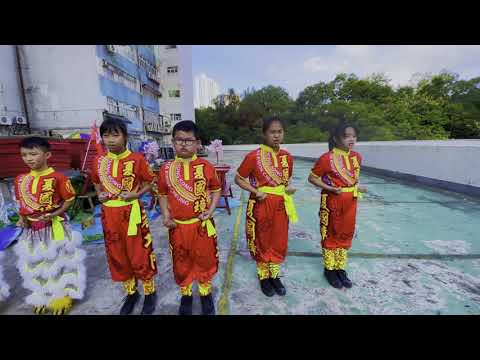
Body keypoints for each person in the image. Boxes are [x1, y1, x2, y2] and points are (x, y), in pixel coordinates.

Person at [91, 118, 157, 315]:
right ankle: (130, 292)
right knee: (117, 253)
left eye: (115, 135)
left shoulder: (137, 160)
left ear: (125, 137)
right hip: (109, 213)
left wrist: (137, 194)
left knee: (139, 253)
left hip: (132, 213)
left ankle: (149, 292)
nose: (110, 140)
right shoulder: (98, 161)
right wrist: (100, 194)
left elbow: (150, 181)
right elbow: (96, 181)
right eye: (106, 135)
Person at [14, 137, 86, 315]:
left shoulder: (58, 177)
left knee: (60, 261)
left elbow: (69, 199)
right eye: (24, 155)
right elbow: (20, 203)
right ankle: (42, 294)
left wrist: (55, 213)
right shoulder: (20, 180)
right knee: (36, 262)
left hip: (55, 226)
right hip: (32, 230)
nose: (29, 158)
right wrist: (22, 219)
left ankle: (63, 295)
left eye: (33, 154)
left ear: (47, 155)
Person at [157, 120, 222, 315]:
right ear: (172, 142)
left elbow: (216, 189)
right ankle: (185, 294)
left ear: (198, 143)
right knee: (181, 261)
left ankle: (205, 293)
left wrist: (211, 210)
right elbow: (161, 193)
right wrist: (166, 215)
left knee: (205, 260)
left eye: (188, 140)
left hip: (201, 225)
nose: (183, 144)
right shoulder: (166, 168)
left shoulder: (206, 166)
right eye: (179, 140)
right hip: (178, 227)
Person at [234, 116, 297, 297]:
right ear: (264, 134)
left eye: (279, 131)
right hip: (260, 203)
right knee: (262, 239)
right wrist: (255, 190)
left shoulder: (287, 157)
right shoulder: (253, 156)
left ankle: (275, 275)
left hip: (280, 205)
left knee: (278, 239)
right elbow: (238, 178)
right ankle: (263, 276)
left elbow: (287, 179)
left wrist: (288, 189)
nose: (276, 135)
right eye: (272, 132)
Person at [308, 122, 367, 289]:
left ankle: (341, 268)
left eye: (354, 136)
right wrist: (330, 188)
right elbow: (312, 178)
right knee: (330, 235)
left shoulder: (357, 157)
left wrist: (357, 187)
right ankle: (329, 269)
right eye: (347, 136)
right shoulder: (326, 158)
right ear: (336, 138)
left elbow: (353, 178)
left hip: (351, 202)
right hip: (332, 202)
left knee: (346, 234)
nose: (351, 139)